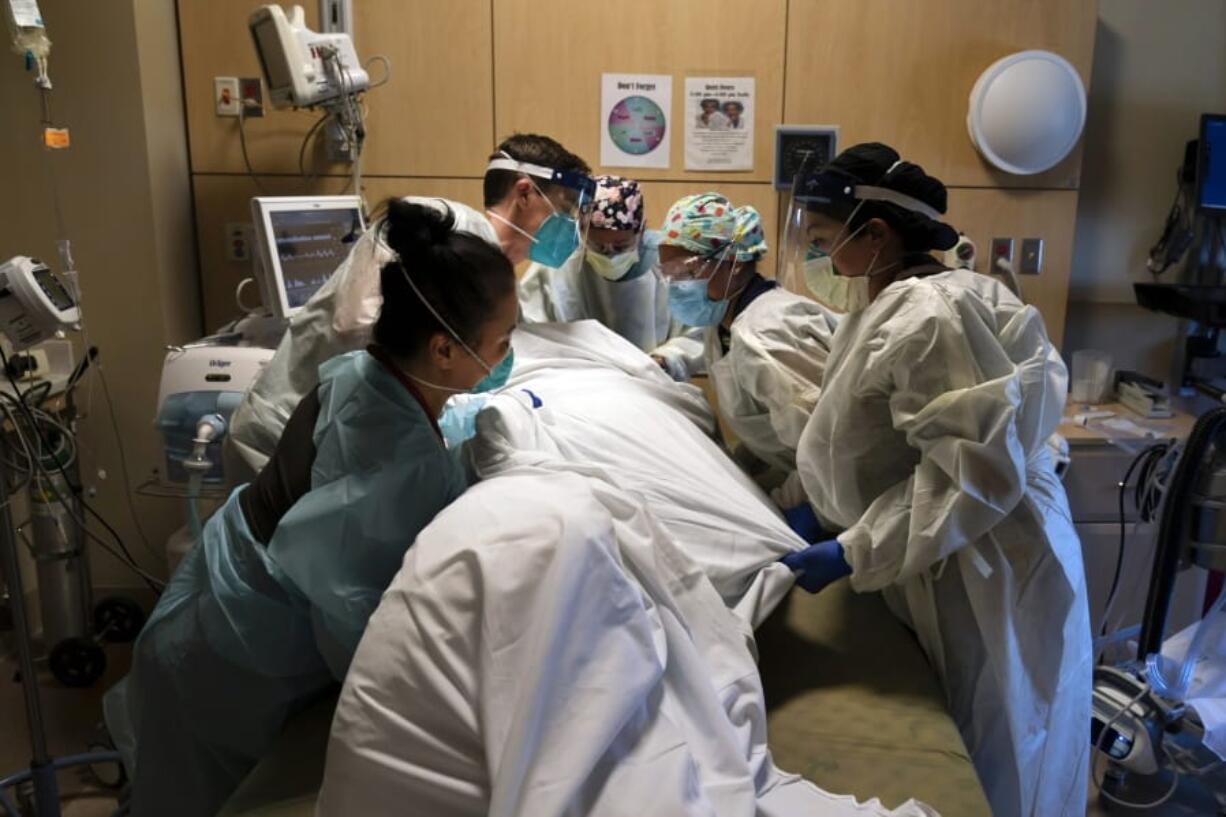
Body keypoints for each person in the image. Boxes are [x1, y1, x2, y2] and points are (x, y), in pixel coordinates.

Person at [103, 200, 519, 817]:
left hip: (203, 607)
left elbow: (369, 462)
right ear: (443, 350)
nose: (509, 351)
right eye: (503, 339)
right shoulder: (397, 462)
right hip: (228, 662)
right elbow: (355, 621)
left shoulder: (361, 371)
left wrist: (453, 456)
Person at [780, 143, 1091, 817]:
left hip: (982, 554)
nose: (821, 261)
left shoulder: (928, 314)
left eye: (826, 242)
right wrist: (823, 506)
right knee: (1005, 721)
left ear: (877, 233)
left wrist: (855, 547)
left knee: (1002, 735)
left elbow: (971, 472)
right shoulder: (908, 303)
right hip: (955, 539)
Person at [226, 133, 592, 478]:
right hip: (279, 436)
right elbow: (354, 321)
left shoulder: (497, 282)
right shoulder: (435, 223)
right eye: (565, 208)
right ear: (524, 193)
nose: (572, 226)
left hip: (340, 448)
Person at [654, 192, 840, 491]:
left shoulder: (769, 334)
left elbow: (830, 449)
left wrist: (788, 505)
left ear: (734, 264)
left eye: (686, 271)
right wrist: (739, 470)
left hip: (841, 494)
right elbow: (770, 428)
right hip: (813, 481)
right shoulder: (725, 324)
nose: (676, 286)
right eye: (668, 273)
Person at [519, 175, 704, 380]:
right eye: (598, 246)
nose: (610, 255)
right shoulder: (557, 265)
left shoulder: (669, 263)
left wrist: (664, 360)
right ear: (581, 231)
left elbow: (698, 334)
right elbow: (530, 332)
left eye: (620, 246)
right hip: (575, 383)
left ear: (641, 231)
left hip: (653, 384)